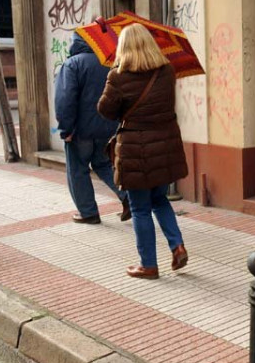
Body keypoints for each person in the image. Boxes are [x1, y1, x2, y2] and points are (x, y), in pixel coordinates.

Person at [97, 23, 189, 279]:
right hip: (165, 146)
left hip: (136, 150)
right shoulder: (167, 71)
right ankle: (177, 245)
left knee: (139, 208)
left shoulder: (118, 76)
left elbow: (105, 111)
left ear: (123, 47)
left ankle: (148, 264)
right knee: (159, 199)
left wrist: (110, 82)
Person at [55, 33, 130, 224]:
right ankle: (127, 196)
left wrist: (66, 130)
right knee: (103, 163)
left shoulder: (73, 64)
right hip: (107, 128)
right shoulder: (110, 64)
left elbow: (65, 100)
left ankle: (88, 212)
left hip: (81, 131)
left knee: (78, 169)